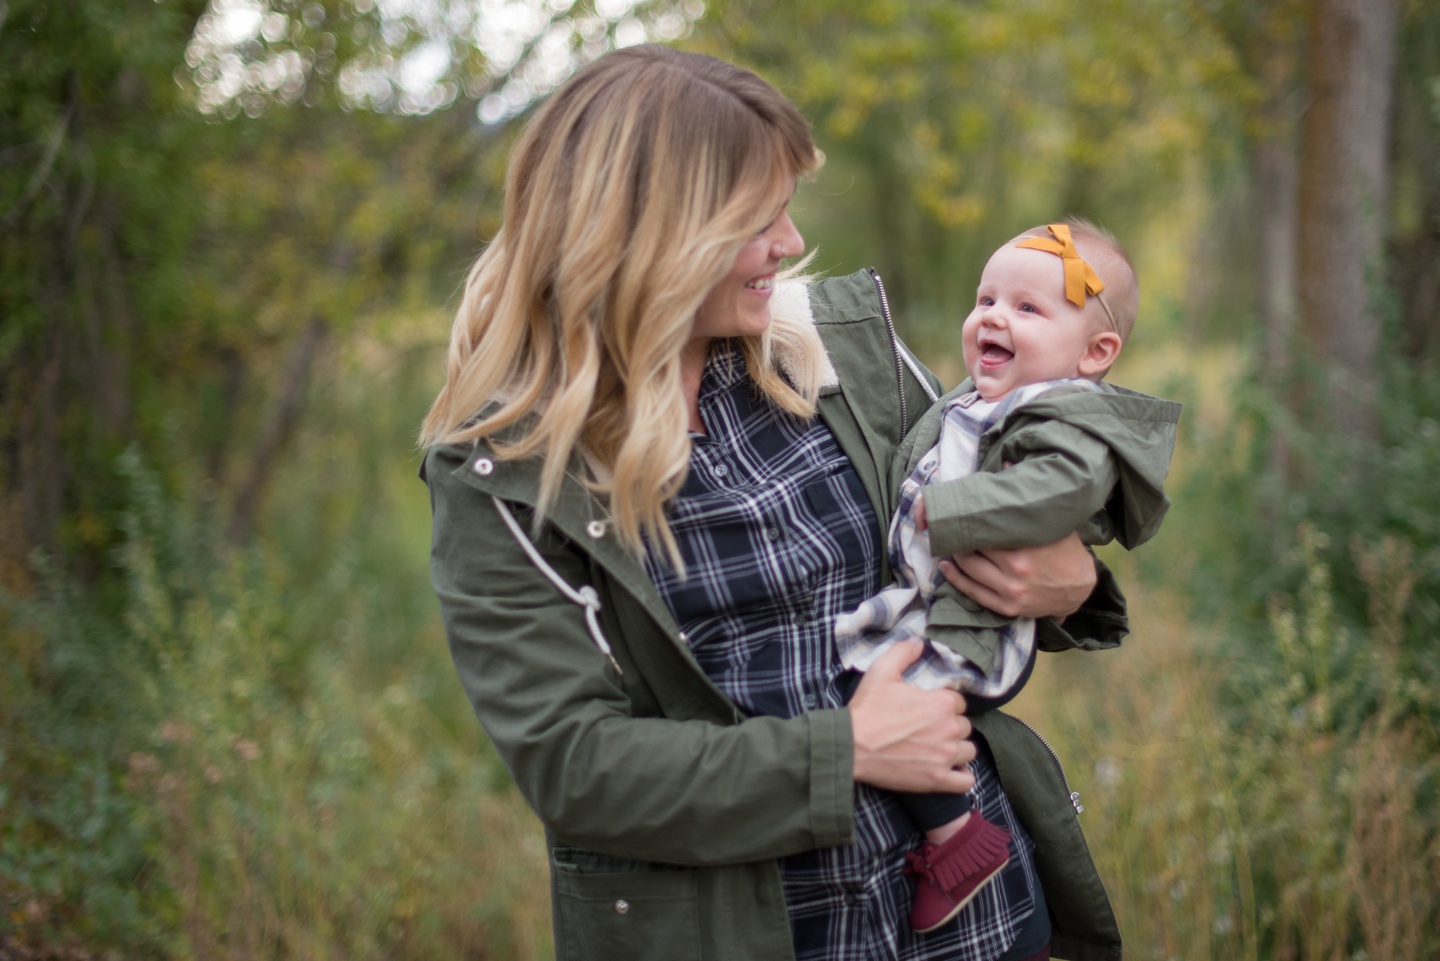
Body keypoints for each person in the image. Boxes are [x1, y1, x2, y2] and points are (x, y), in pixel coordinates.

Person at [421, 44, 1128, 961]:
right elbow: (577, 767)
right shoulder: (505, 468)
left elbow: (999, 520)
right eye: (761, 219)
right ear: (657, 235)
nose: (791, 244)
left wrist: (1069, 583)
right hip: (756, 934)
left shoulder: (836, 351)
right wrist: (848, 751)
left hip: (979, 915)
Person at [833, 221, 1182, 933]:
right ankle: (950, 830)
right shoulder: (976, 400)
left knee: (892, 699)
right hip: (933, 604)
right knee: (855, 678)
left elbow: (1060, 490)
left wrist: (953, 509)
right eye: (986, 298)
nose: (994, 315)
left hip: (976, 626)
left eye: (1027, 308)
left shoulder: (1071, 420)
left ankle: (958, 838)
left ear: (1096, 352)